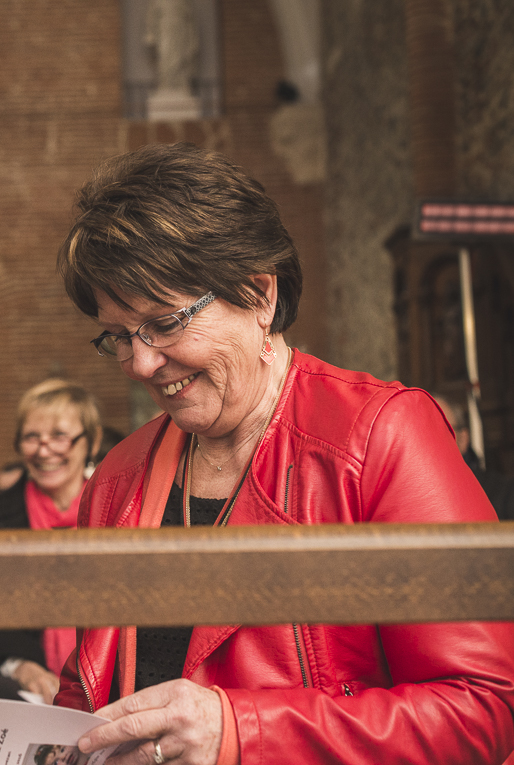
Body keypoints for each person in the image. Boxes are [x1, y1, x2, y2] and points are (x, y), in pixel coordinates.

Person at [53, 143, 514, 764]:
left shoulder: (380, 435)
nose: (139, 363)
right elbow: (88, 691)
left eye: (165, 323)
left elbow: (483, 709)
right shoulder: (118, 476)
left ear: (259, 293)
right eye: (117, 336)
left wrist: (242, 732)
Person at [0, 380, 101, 704]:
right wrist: (20, 665)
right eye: (32, 437)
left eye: (59, 435)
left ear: (91, 442)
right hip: (28, 691)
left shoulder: (118, 508)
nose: (44, 449)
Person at [432, 393, 514, 521]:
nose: (430, 439)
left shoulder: (504, 494)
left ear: (463, 439)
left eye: (441, 429)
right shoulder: (403, 498)